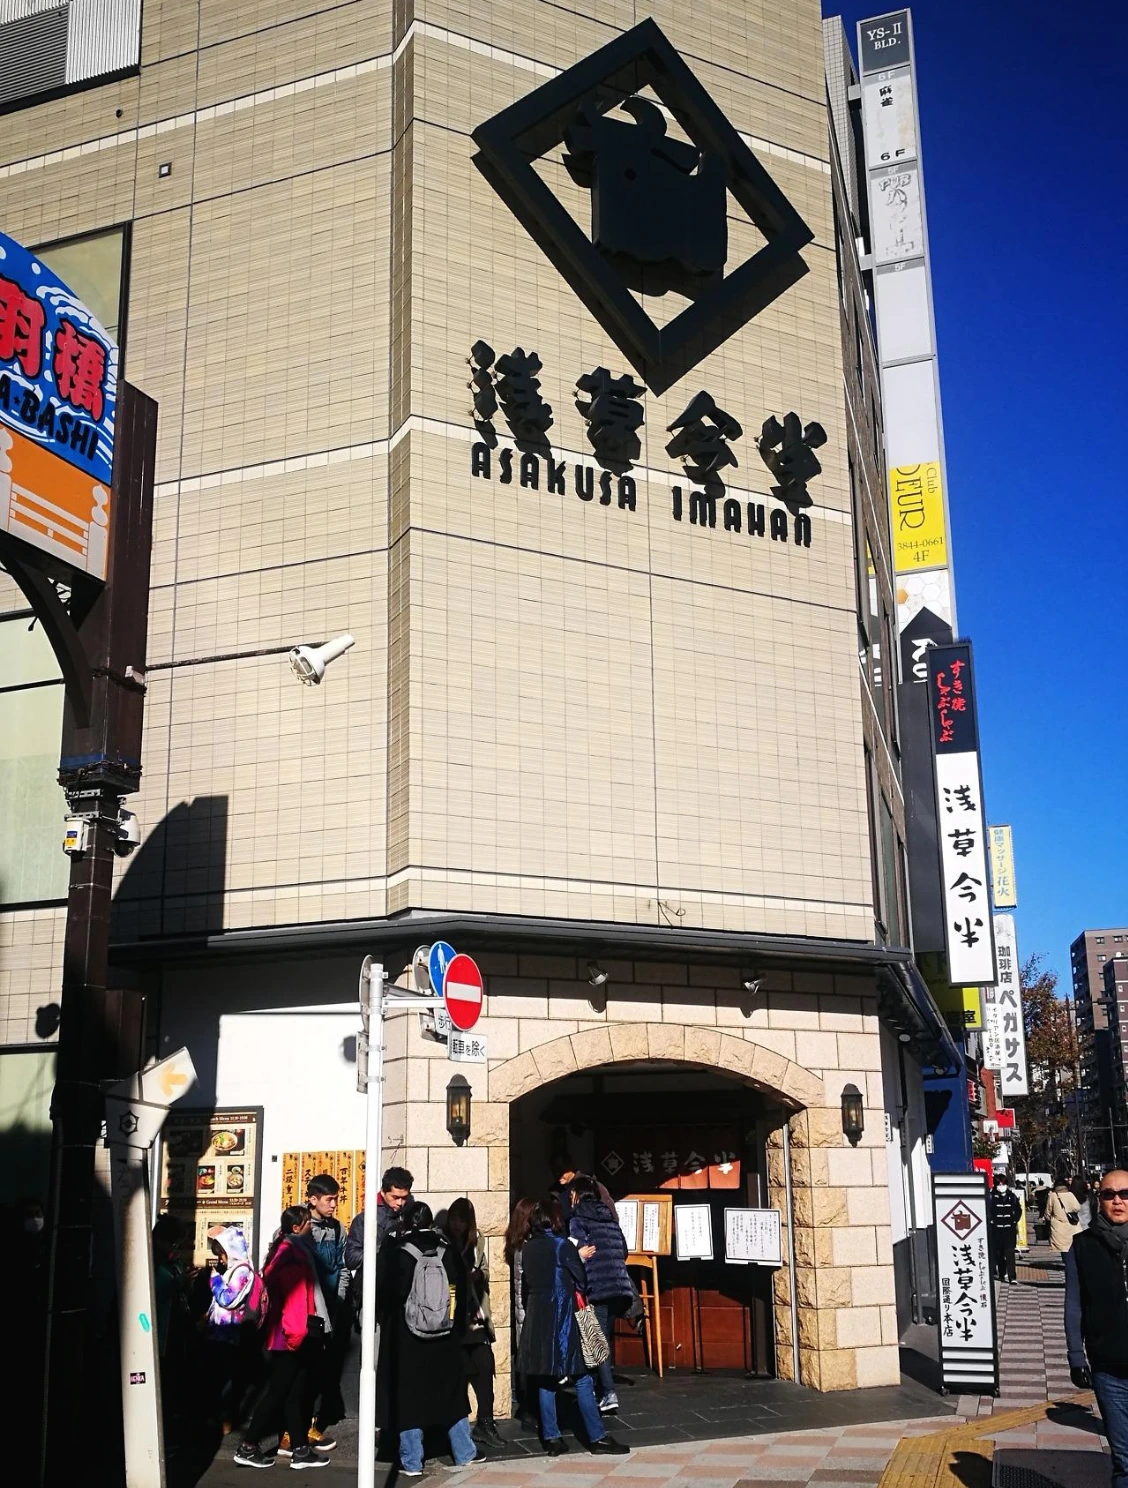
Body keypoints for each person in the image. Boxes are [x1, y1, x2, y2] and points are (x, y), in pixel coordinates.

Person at [516, 1200, 629, 1457]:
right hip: (564, 1316)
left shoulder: (528, 1248)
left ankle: (552, 1438)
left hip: (538, 1319)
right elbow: (581, 1279)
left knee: (546, 1379)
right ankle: (597, 1437)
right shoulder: (562, 1245)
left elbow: (526, 1286)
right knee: (582, 1377)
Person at [375, 1199, 477, 1477]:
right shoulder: (447, 1250)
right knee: (452, 1395)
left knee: (409, 1399)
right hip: (445, 1336)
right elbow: (461, 1293)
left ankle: (412, 1462)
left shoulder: (398, 1253)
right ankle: (464, 1452)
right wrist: (457, 1327)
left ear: (406, 1222)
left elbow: (384, 1294)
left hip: (406, 1338)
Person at [235, 1207, 331, 1470]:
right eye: (308, 1223)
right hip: (289, 1337)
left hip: (282, 1335)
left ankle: (300, 1450)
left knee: (291, 1393)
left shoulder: (282, 1250)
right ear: (297, 1228)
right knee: (279, 1392)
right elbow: (295, 1301)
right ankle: (248, 1446)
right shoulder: (293, 1256)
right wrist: (297, 1338)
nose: (312, 1227)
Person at [1064, 1168, 1128, 1488]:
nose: (1117, 1201)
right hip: (1109, 1368)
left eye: (1125, 1194)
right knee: (1125, 1458)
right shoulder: (1082, 1246)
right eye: (1108, 1194)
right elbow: (1074, 1304)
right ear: (1098, 1199)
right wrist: (1076, 1356)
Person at [568, 1175, 633, 1415]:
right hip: (619, 1286)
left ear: (578, 1195)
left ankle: (608, 1392)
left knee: (598, 1341)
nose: (570, 1198)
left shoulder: (578, 1219)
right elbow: (623, 1250)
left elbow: (576, 1252)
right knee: (604, 1336)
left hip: (598, 1286)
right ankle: (601, 1389)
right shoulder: (610, 1219)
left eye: (571, 1194)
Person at [440, 1197, 501, 1449]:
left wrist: (477, 1275)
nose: (457, 1224)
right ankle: (456, 1431)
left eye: (462, 1220)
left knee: (485, 1368)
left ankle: (486, 1423)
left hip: (475, 1317)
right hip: (452, 1319)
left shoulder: (477, 1241)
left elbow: (485, 1271)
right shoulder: (442, 1241)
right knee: (458, 1375)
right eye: (454, 1219)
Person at [303, 1175, 347, 1446]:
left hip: (329, 1311)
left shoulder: (338, 1229)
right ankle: (292, 1430)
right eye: (329, 1200)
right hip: (304, 1312)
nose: (333, 1205)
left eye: (336, 1199)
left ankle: (309, 1425)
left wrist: (338, 1301)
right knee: (301, 1373)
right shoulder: (298, 1226)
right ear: (313, 1199)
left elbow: (343, 1268)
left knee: (320, 1371)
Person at [343, 1165, 413, 1295]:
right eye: (395, 1197)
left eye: (404, 1198)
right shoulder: (365, 1219)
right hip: (372, 1290)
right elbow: (351, 1258)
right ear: (383, 1192)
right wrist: (380, 1249)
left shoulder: (409, 1215)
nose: (400, 1203)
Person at [505, 1197, 541, 1426]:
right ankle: (528, 1408)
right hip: (527, 1310)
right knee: (529, 1361)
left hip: (524, 1309)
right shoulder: (526, 1247)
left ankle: (529, 1405)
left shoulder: (518, 1244)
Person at [988, 1174, 1022, 1284]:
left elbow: (1018, 1210)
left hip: (1009, 1230)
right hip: (996, 1230)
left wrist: (1014, 1220)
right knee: (998, 1253)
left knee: (1010, 1253)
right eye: (999, 1184)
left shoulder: (1012, 1196)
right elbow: (988, 1211)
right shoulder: (991, 1197)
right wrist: (991, 1221)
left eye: (1003, 1184)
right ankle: (1002, 1273)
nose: (1001, 1186)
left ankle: (1012, 1277)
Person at [1046, 1172, 1082, 1257]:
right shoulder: (1070, 1194)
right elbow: (1077, 1207)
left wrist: (1048, 1218)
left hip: (1059, 1227)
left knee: (1065, 1251)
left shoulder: (1053, 1195)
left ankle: (1070, 1265)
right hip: (1073, 1226)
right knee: (1073, 1250)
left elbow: (1048, 1211)